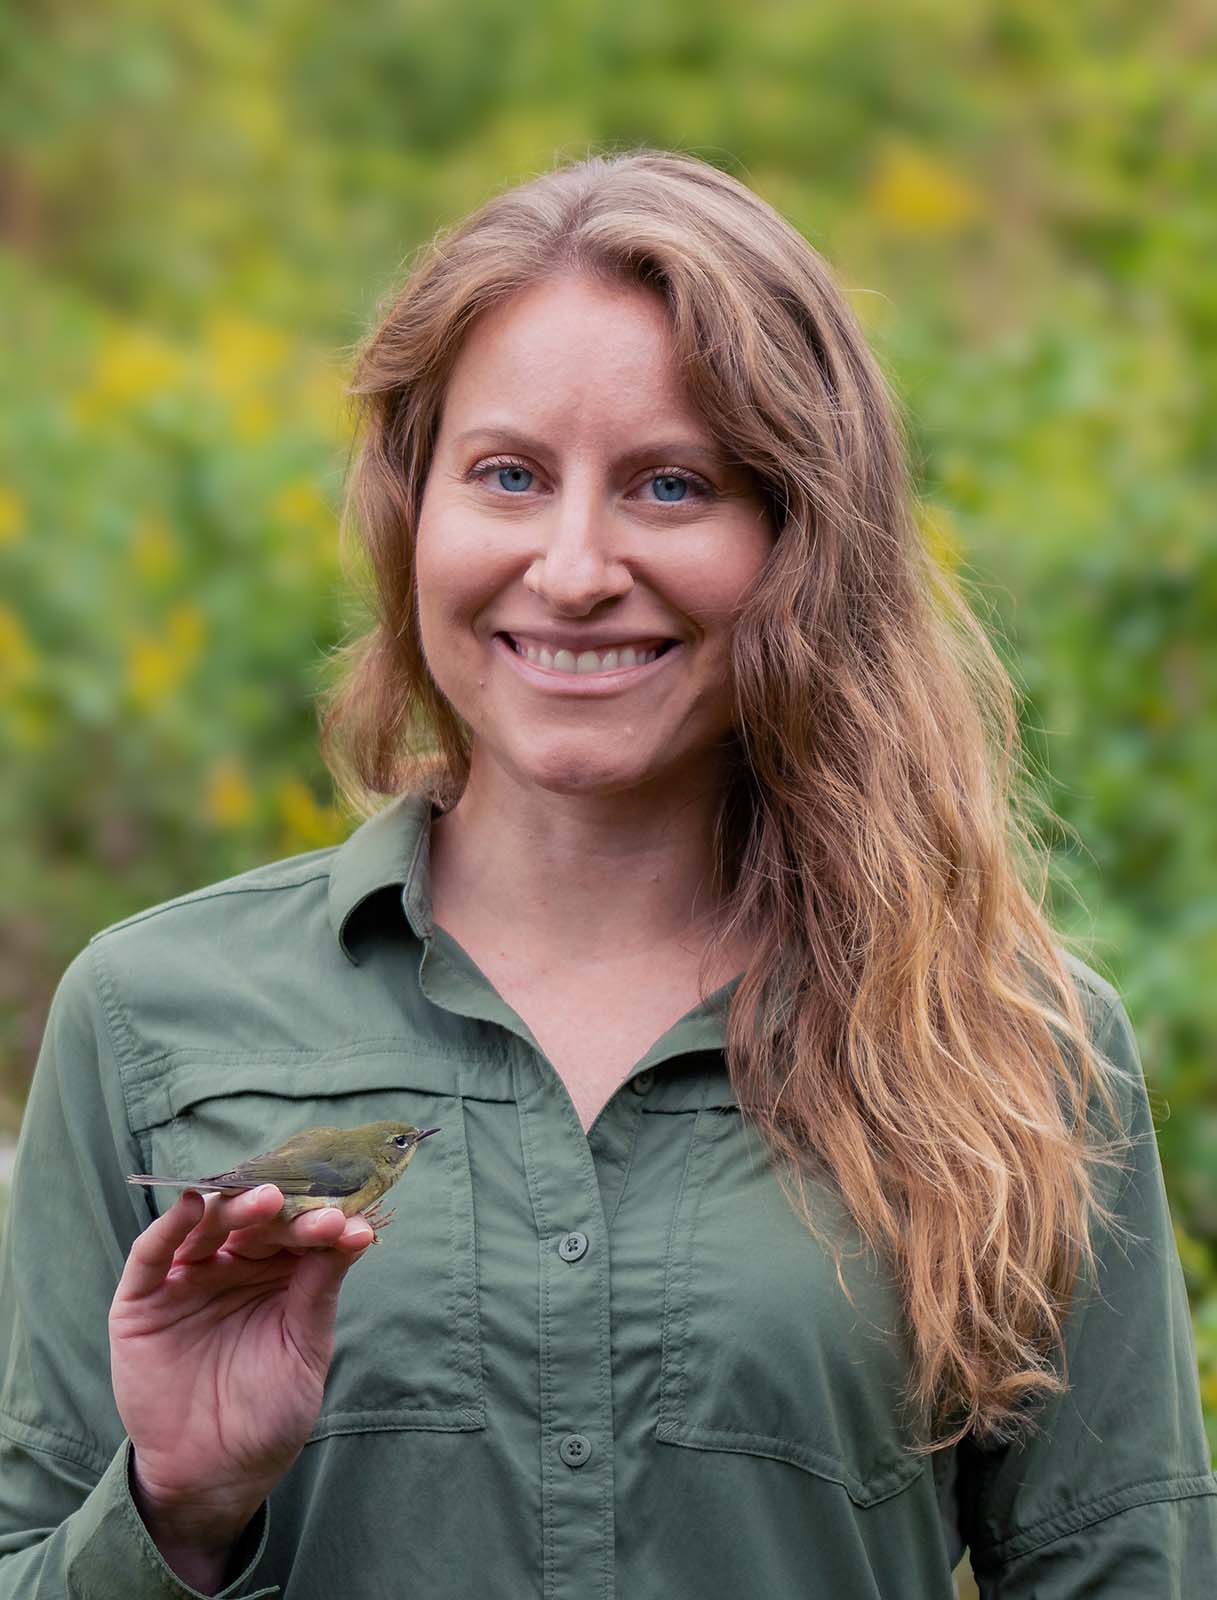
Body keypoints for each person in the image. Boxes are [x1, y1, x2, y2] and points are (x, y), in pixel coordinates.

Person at [1, 149, 1214, 1599]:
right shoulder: (152, 1020)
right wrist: (178, 1511)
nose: (573, 566)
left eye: (669, 486)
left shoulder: (1013, 1047)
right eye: (507, 475)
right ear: (411, 514)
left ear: (799, 542)